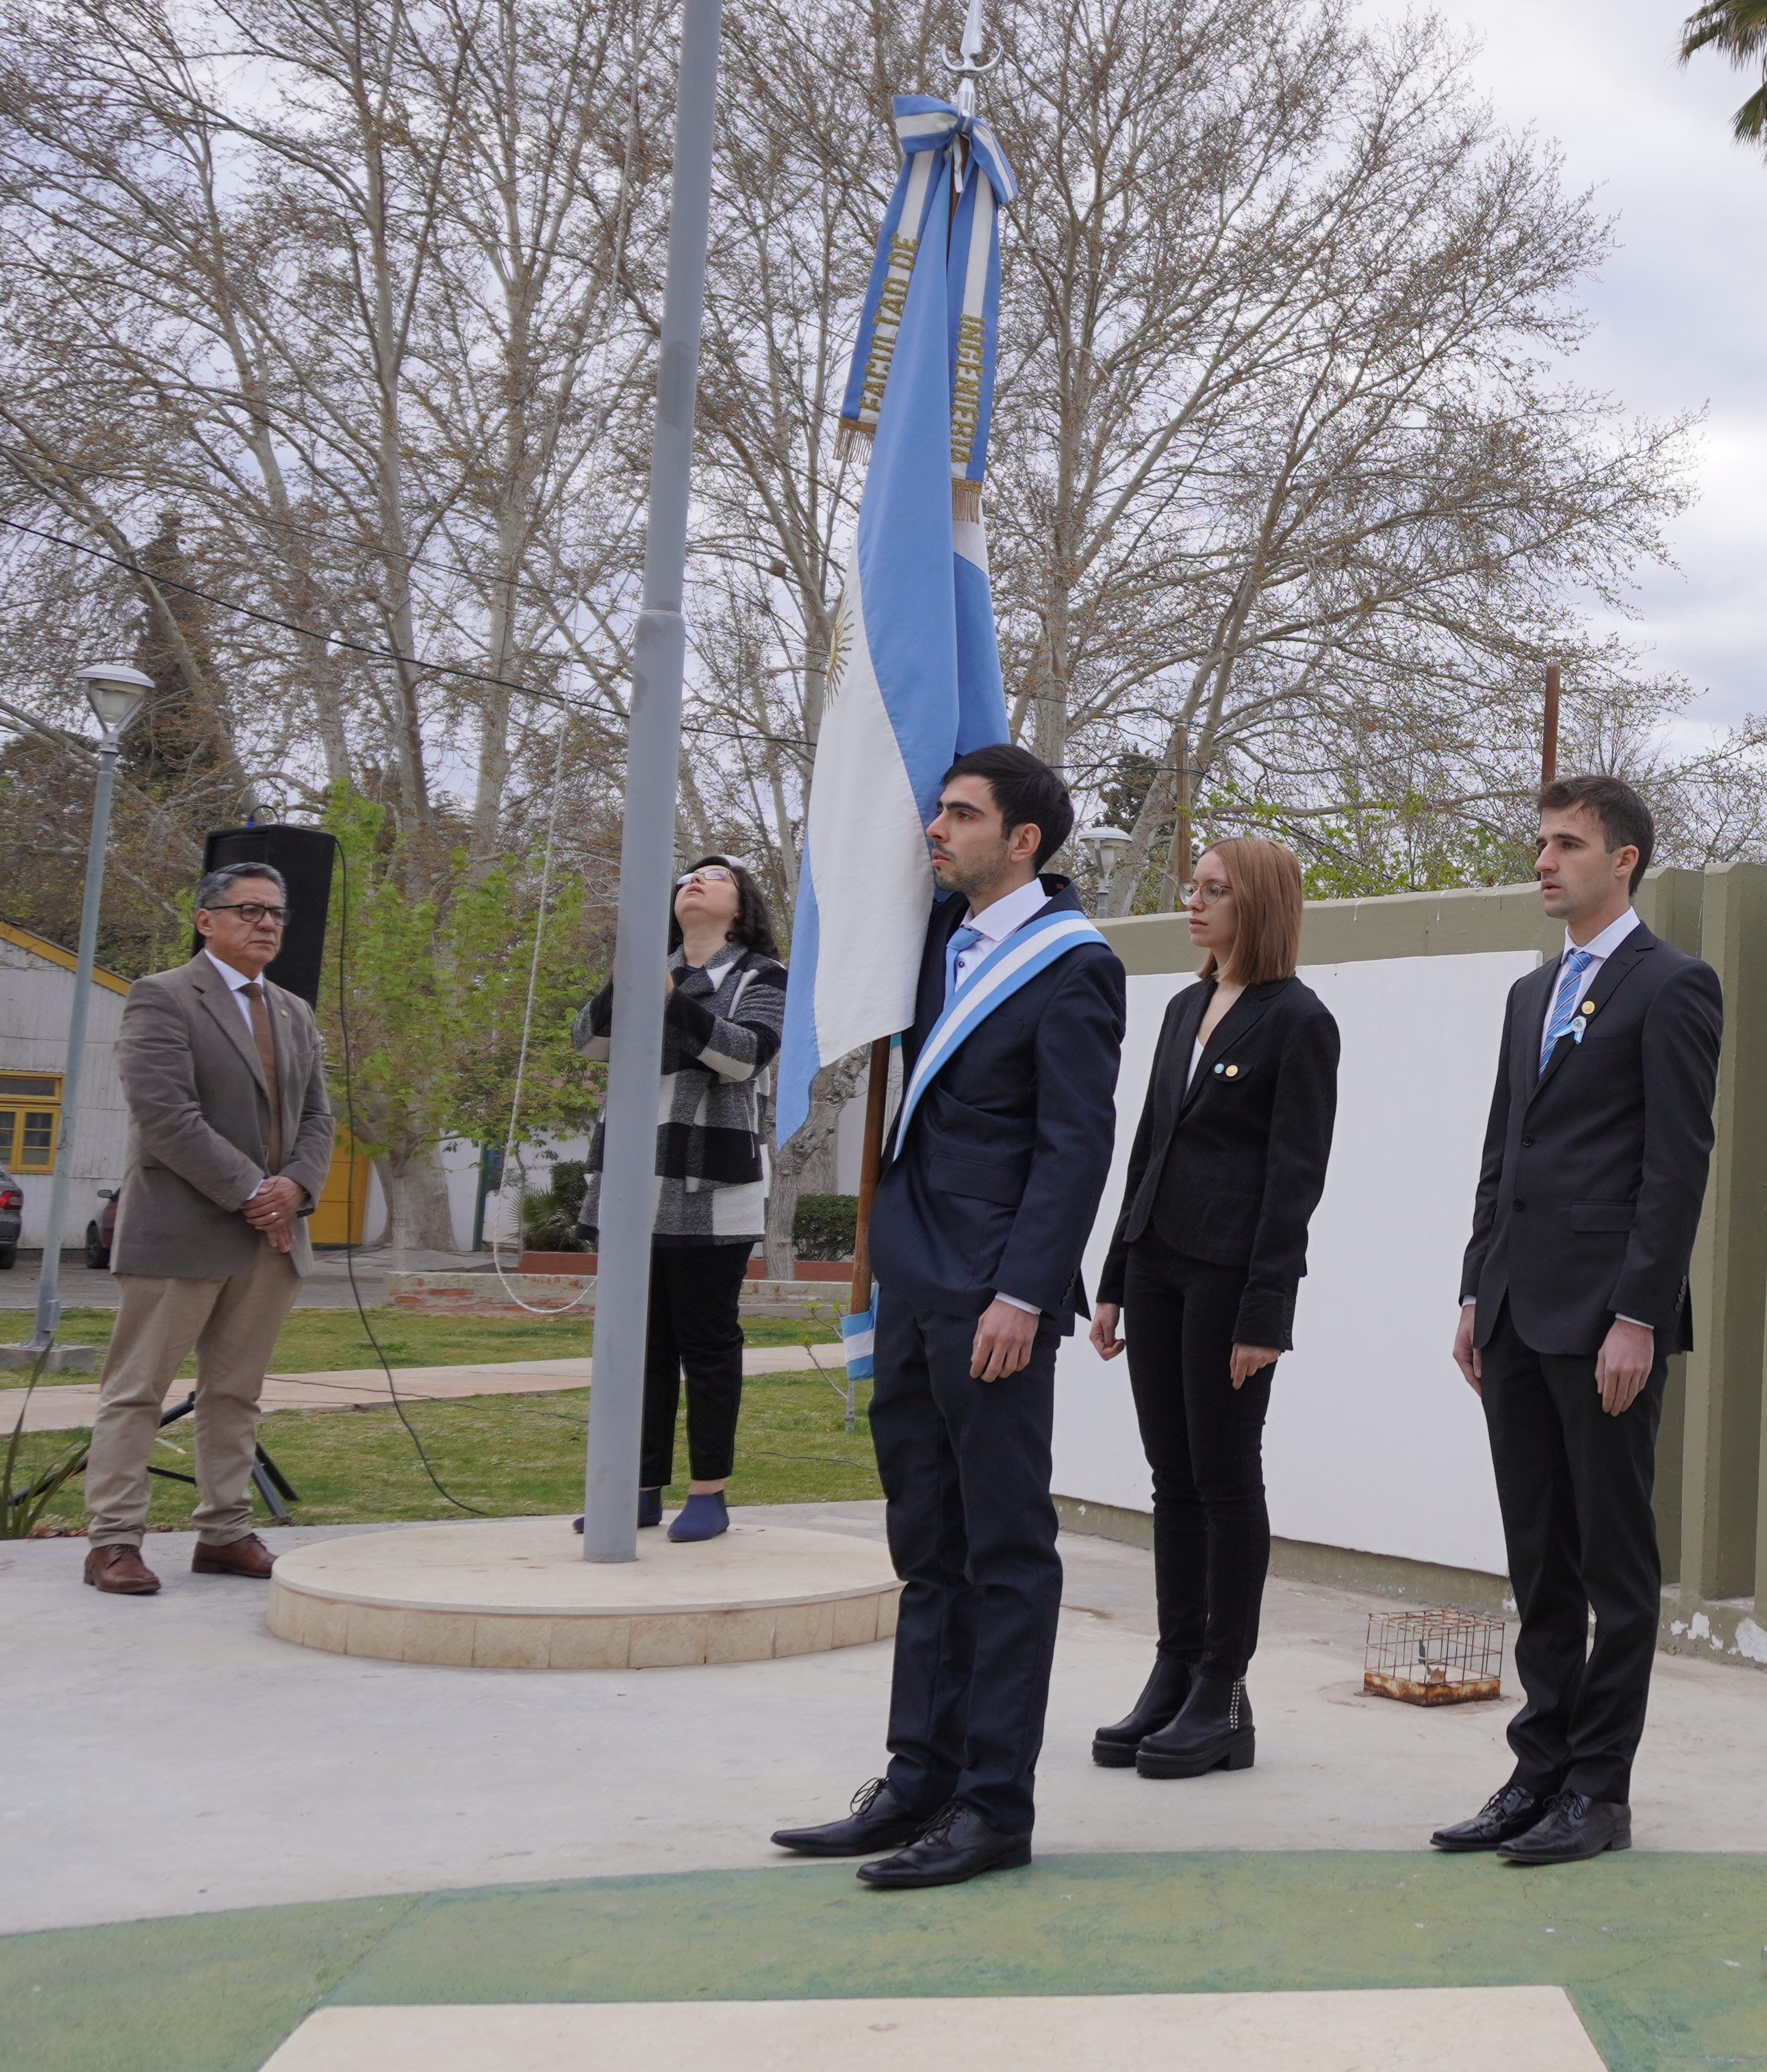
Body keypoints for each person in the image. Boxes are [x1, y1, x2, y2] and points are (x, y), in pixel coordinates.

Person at [769, 745, 1126, 1891]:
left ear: (1022, 841)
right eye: (938, 808)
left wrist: (1024, 1292)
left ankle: (991, 1804)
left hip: (993, 1304)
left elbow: (1074, 1148)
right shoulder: (930, 943)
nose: (936, 827)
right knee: (926, 1547)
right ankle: (916, 1777)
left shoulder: (1075, 968)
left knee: (1006, 1553)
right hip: (915, 1284)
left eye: (960, 814)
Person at [1428, 774, 1722, 1868]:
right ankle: (1537, 1770)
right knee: (1537, 1561)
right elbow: (1503, 1156)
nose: (1545, 861)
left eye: (1568, 845)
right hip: (1513, 1312)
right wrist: (1474, 1288)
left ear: (1625, 859)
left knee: (1613, 1564)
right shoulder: (1529, 994)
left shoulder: (1673, 987)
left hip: (1604, 1324)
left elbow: (1675, 1170)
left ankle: (1600, 1790)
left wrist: (1638, 1315)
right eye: (1541, 844)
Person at [1085, 838, 1340, 1780]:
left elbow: (1294, 1178)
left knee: (1225, 1476)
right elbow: (1148, 1145)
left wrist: (1266, 1311)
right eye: (1192, 887)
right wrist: (1113, 1274)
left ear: (1259, 905)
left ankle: (1222, 1694)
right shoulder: (1184, 1007)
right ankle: (1175, 1666)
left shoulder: (1298, 1022)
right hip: (1155, 1266)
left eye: (1215, 892)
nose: (1194, 904)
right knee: (1172, 1478)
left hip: (1231, 1280)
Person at [81, 860, 337, 1596]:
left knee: (236, 1393)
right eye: (250, 910)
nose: (267, 924)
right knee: (137, 1391)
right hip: (181, 1231)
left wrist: (295, 1187)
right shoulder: (161, 997)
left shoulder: (293, 1009)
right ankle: (114, 1541)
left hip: (272, 1237)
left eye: (276, 914)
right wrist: (253, 1189)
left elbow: (318, 1115)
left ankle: (224, 1531)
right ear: (206, 920)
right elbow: (165, 1116)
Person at [572, 856, 789, 1544]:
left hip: (710, 1190)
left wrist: (671, 1000)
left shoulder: (760, 975)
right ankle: (638, 1489)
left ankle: (709, 1492)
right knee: (641, 1346)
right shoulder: (648, 968)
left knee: (707, 1343)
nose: (695, 881)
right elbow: (588, 1042)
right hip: (631, 1186)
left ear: (741, 905)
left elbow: (747, 1053)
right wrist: (631, 984)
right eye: (686, 876)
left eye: (715, 876)